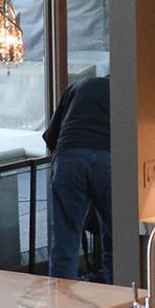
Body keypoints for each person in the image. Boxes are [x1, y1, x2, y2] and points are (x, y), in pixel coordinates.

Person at [43, 70, 111, 281]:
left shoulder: (79, 86)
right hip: (108, 159)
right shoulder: (127, 92)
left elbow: (50, 137)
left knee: (65, 238)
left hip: (69, 157)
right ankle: (119, 302)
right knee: (115, 237)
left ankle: (62, 305)